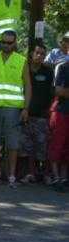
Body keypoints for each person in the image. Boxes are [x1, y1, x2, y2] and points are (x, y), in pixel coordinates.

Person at [0, 30, 32, 188]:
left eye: (10, 42)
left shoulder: (21, 60)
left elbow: (28, 85)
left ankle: (11, 175)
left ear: (15, 43)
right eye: (4, 42)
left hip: (13, 108)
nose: (6, 45)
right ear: (0, 42)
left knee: (12, 143)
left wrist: (25, 108)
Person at [19, 43, 53, 184]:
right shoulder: (24, 68)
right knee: (27, 147)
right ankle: (30, 174)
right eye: (37, 53)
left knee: (43, 146)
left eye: (42, 54)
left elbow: (51, 93)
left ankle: (46, 174)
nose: (39, 56)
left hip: (42, 115)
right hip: (25, 114)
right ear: (31, 53)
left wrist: (49, 111)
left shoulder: (48, 71)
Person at [48, 61, 69, 192]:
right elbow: (59, 91)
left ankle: (64, 177)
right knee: (57, 145)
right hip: (61, 112)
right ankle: (56, 177)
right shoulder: (62, 67)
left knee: (67, 147)